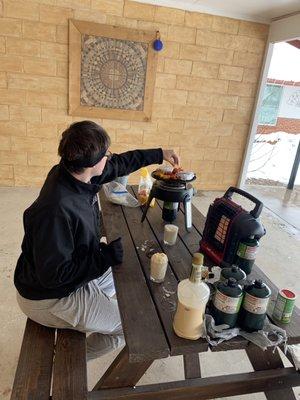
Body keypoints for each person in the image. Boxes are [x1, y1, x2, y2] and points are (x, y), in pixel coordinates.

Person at [14, 120, 180, 360]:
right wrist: (103, 259)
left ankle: (95, 306)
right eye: (106, 154)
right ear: (92, 163)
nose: (109, 158)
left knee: (125, 270)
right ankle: (69, 361)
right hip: (49, 296)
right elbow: (54, 276)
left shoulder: (75, 173)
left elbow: (121, 163)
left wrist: (160, 154)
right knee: (128, 328)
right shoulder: (56, 210)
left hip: (64, 270)